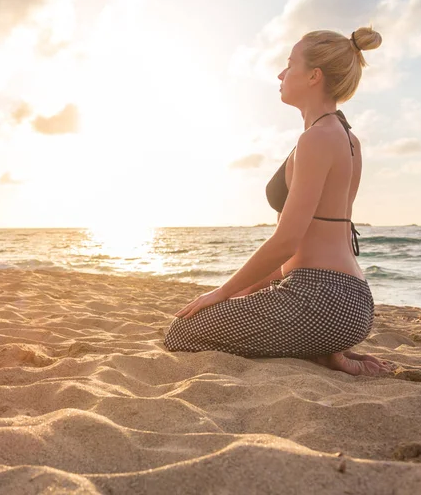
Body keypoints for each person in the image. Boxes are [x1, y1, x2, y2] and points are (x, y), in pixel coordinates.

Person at [164, 26, 395, 377]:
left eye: (290, 64)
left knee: (181, 331)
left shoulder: (317, 139)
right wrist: (246, 292)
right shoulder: (348, 139)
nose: (281, 74)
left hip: (320, 298)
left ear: (314, 76)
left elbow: (288, 241)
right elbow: (324, 241)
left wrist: (221, 292)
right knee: (231, 308)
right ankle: (325, 350)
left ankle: (323, 344)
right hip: (356, 303)